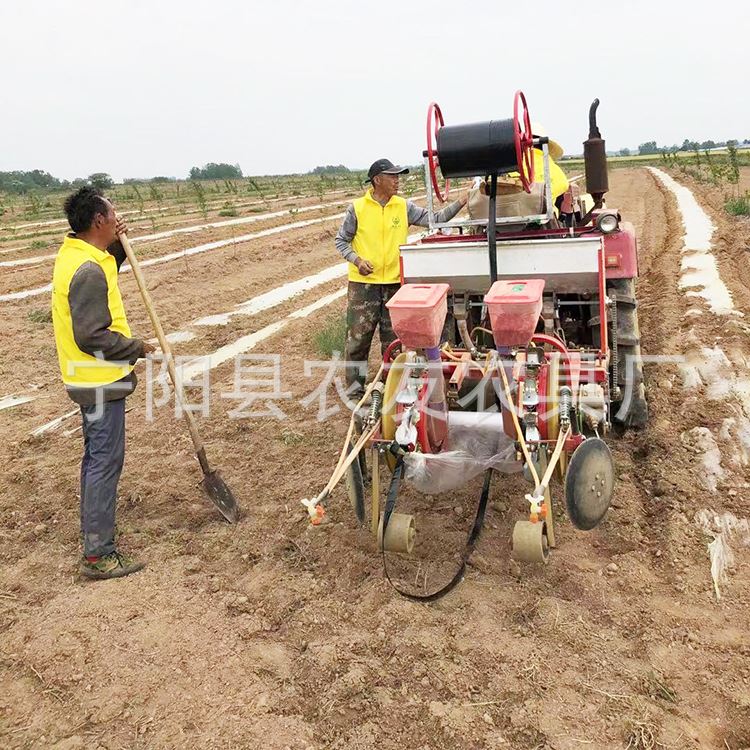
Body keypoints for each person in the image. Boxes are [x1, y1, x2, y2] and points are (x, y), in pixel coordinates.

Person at [51, 186, 155, 580]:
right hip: (98, 380)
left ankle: (95, 536)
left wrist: (119, 249)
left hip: (88, 378)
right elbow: (92, 335)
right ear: (98, 221)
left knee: (97, 458)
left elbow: (102, 271)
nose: (117, 221)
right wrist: (136, 347)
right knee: (104, 461)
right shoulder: (88, 271)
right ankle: (97, 554)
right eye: (112, 216)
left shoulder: (80, 255)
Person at [335, 158, 467, 392]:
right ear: (377, 180)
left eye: (398, 176)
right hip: (363, 286)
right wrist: (357, 260)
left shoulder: (403, 206)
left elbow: (434, 220)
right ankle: (355, 391)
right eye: (392, 176)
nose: (397, 180)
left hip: (396, 286)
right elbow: (342, 241)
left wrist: (462, 201)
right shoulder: (357, 208)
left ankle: (391, 389)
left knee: (394, 342)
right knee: (358, 340)